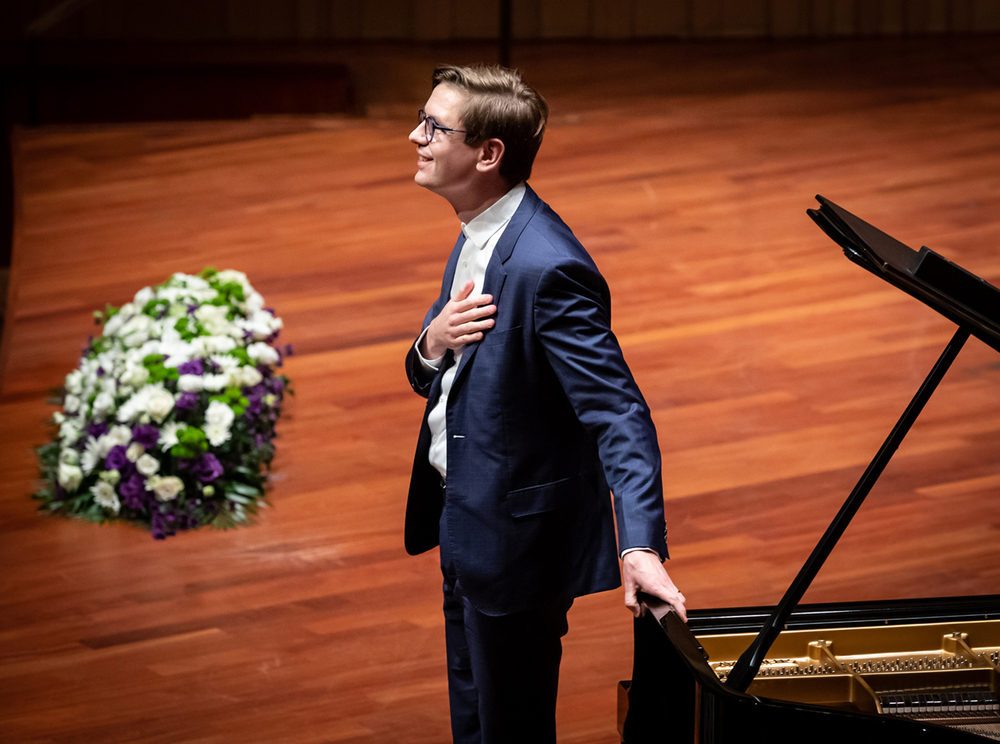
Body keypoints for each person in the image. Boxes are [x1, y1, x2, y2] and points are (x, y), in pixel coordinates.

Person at [403, 64, 686, 744]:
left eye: (435, 127)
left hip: (514, 545)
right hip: (463, 519)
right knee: (474, 720)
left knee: (511, 727)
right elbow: (443, 376)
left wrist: (640, 544)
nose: (416, 136)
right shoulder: (478, 230)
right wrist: (430, 344)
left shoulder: (548, 267)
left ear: (487, 153)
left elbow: (618, 412)